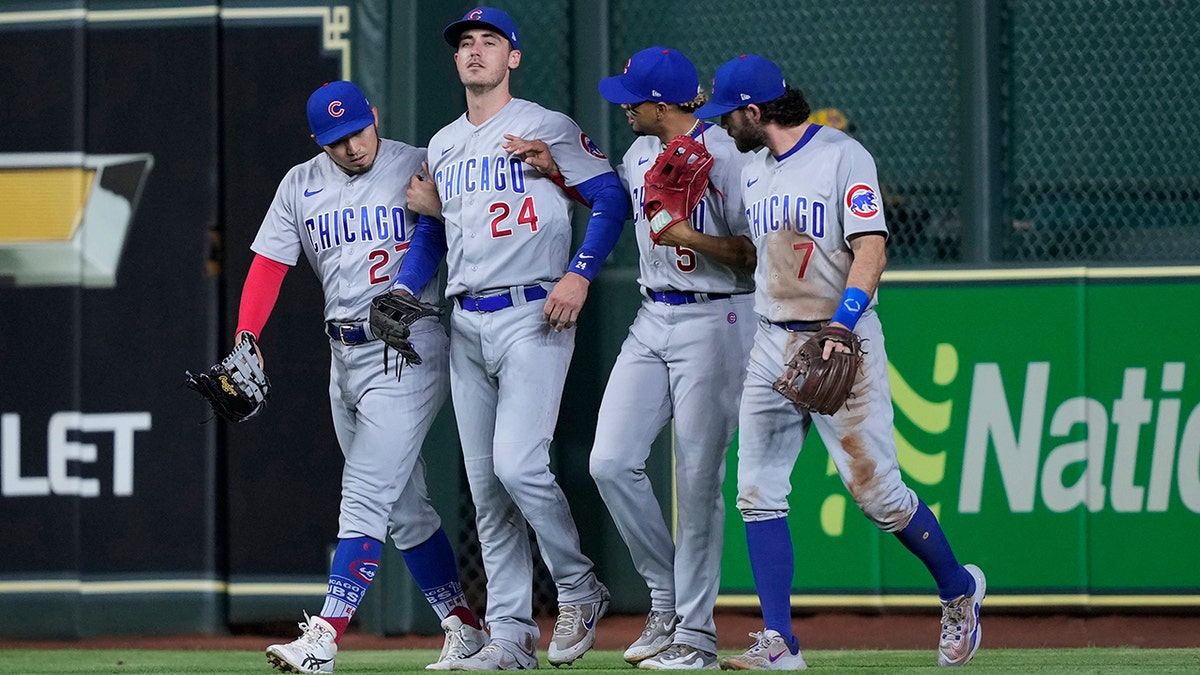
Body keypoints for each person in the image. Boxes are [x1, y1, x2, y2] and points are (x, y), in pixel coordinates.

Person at [692, 54, 986, 670]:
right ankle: (781, 642)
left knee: (879, 496)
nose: (724, 127)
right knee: (756, 493)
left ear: (755, 111)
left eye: (730, 115)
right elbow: (756, 253)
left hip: (841, 338)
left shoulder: (842, 156)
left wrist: (842, 324)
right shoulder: (752, 166)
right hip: (772, 338)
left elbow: (871, 248)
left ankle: (958, 588)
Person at [392, 7, 626, 670]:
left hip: (534, 311)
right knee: (486, 488)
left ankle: (579, 586)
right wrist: (408, 289)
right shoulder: (440, 144)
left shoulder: (545, 125)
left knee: (518, 465)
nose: (474, 52)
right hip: (466, 317)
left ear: (512, 57)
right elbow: (435, 233)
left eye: (488, 42)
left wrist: (579, 275)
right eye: (465, 43)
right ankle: (511, 634)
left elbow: (612, 199)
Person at [239, 80, 485, 674]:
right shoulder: (300, 184)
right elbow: (270, 264)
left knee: (365, 492)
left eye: (357, 130)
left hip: (407, 344)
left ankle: (324, 636)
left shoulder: (416, 165)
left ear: (374, 115)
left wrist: (404, 287)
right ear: (317, 142)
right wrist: (248, 335)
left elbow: (432, 233)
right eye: (335, 140)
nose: (351, 146)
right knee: (403, 506)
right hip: (342, 355)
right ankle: (463, 627)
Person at [532, 46, 757, 671]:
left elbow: (752, 254)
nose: (623, 107)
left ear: (661, 104)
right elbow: (613, 199)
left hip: (718, 317)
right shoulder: (637, 154)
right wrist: (555, 170)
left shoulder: (729, 155)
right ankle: (669, 598)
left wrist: (687, 235)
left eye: (633, 98)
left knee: (696, 482)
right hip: (652, 313)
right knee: (609, 462)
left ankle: (698, 635)